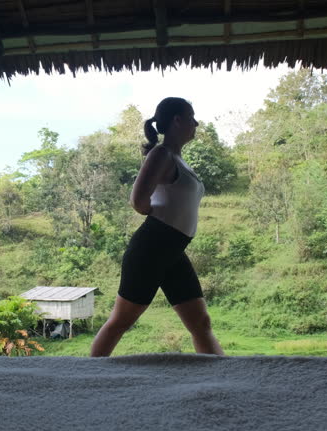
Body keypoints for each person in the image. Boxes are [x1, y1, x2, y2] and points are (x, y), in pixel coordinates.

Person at [89, 97, 225, 357]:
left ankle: (220, 378)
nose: (195, 123)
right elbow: (138, 201)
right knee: (121, 322)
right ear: (177, 120)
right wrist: (160, 219)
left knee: (201, 323)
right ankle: (88, 378)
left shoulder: (177, 159)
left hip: (172, 252)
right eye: (191, 117)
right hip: (152, 248)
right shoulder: (161, 154)